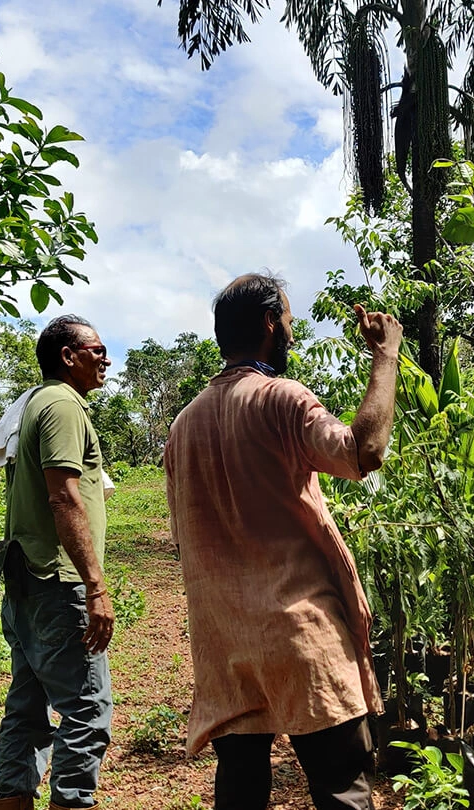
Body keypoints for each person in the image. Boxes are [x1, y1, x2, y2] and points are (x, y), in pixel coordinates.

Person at [163, 273, 403, 810]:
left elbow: (184, 537)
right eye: (290, 321)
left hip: (226, 647)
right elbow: (364, 450)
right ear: (272, 325)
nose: (292, 331)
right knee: (342, 787)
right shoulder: (281, 398)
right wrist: (385, 358)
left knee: (241, 791)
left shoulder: (183, 426)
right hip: (301, 635)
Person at [0, 315, 115, 810]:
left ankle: (13, 798)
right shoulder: (62, 406)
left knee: (27, 702)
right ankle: (70, 800)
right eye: (97, 350)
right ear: (68, 355)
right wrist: (96, 587)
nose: (106, 359)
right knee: (86, 706)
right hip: (58, 581)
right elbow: (64, 499)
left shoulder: (37, 404)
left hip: (27, 579)